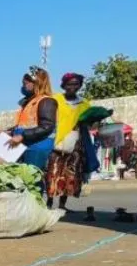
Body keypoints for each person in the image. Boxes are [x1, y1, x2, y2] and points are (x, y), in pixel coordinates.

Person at [45, 73, 95, 210]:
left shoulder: (84, 103)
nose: (72, 87)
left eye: (75, 84)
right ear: (64, 85)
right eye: (69, 84)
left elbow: (89, 122)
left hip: (76, 143)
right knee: (53, 172)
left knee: (70, 174)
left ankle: (62, 205)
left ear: (79, 86)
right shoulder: (55, 99)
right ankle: (48, 203)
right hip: (57, 141)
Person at [10, 69, 59, 188]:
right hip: (27, 144)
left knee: (32, 182)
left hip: (37, 147)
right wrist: (10, 131)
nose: (23, 86)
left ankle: (35, 205)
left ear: (37, 82)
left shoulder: (46, 101)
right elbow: (25, 123)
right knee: (23, 181)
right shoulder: (30, 102)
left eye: (26, 83)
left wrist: (22, 135)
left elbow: (47, 126)